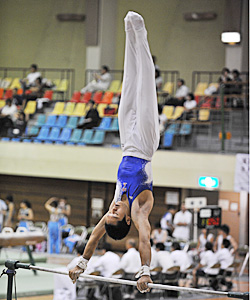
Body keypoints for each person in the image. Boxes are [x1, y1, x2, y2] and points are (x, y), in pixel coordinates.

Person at [69, 11, 160, 294]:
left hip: (125, 144)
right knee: (145, 85)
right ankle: (141, 34)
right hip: (144, 145)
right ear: (127, 219)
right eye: (115, 214)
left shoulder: (115, 206)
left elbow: (95, 237)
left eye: (108, 213)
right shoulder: (138, 209)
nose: (111, 209)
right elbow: (144, 239)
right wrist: (144, 271)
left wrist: (81, 264)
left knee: (129, 86)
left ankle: (129, 32)